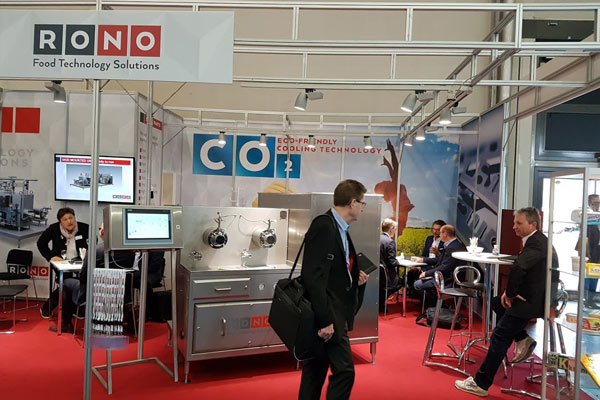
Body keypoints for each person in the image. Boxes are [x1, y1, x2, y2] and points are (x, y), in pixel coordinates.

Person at [455, 207, 555, 397]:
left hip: (531, 301)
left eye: (519, 223)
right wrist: (508, 295)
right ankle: (522, 338)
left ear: (533, 224)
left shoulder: (536, 243)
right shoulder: (537, 240)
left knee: (499, 335)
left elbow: (519, 267)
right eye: (514, 222)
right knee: (496, 302)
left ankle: (481, 384)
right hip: (533, 296)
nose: (514, 227)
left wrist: (510, 294)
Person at [298, 179, 369, 400]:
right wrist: (324, 320)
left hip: (334, 310)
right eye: (362, 203)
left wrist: (353, 277)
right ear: (352, 203)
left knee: (315, 369)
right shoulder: (324, 226)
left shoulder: (339, 228)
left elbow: (331, 271)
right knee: (345, 372)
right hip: (329, 314)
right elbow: (313, 277)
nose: (363, 208)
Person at [54, 225, 165, 333]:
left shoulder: (95, 250)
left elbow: (84, 275)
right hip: (119, 293)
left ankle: (66, 324)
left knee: (66, 283)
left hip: (95, 292)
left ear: (103, 232)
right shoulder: (132, 251)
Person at [37, 207, 90, 319]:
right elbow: (41, 243)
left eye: (71, 218)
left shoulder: (84, 227)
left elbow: (93, 241)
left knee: (83, 281)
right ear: (60, 221)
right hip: (61, 262)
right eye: (65, 219)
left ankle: (77, 309)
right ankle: (47, 307)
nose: (69, 221)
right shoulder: (54, 229)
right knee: (65, 282)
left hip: (80, 262)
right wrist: (51, 257)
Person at [412, 225, 466, 309]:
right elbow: (440, 260)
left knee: (417, 284)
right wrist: (422, 260)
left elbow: (444, 267)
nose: (439, 235)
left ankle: (438, 306)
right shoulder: (453, 244)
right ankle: (435, 305)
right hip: (446, 276)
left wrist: (426, 273)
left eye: (440, 232)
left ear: (445, 234)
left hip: (448, 280)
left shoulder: (452, 247)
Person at [379, 218, 403, 311]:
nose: (395, 231)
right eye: (395, 229)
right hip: (387, 276)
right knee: (401, 282)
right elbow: (392, 262)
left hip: (378, 274)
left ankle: (380, 301)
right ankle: (381, 300)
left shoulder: (377, 238)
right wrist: (399, 261)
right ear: (391, 229)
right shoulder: (390, 242)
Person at [582, 194, 600, 309]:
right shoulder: (588, 217)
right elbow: (585, 236)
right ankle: (585, 299)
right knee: (587, 275)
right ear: (589, 204)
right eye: (595, 203)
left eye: (599, 203)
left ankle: (591, 299)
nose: (597, 205)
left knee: (595, 274)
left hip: (598, 250)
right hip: (589, 250)